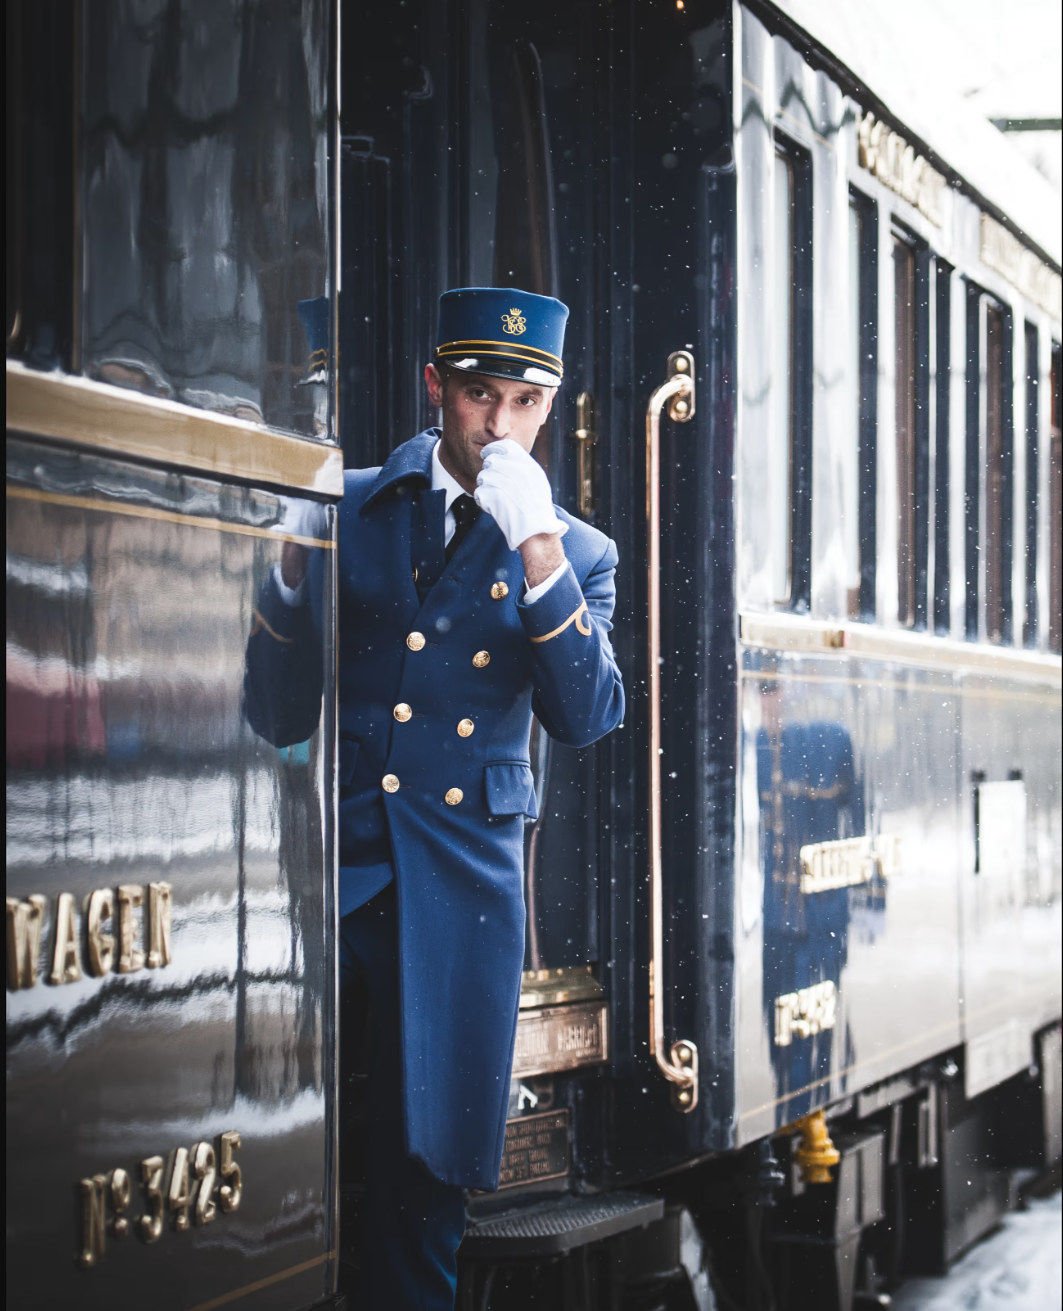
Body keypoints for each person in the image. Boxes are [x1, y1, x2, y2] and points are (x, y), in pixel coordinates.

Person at [244, 286, 624, 1308]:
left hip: (459, 894)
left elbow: (588, 715)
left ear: (548, 407)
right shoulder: (353, 506)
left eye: (523, 402)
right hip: (331, 887)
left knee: (421, 1187)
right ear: (435, 387)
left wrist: (536, 545)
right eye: (476, 395)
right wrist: (283, 576)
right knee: (293, 1167)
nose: (497, 426)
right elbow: (275, 713)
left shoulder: (577, 554)